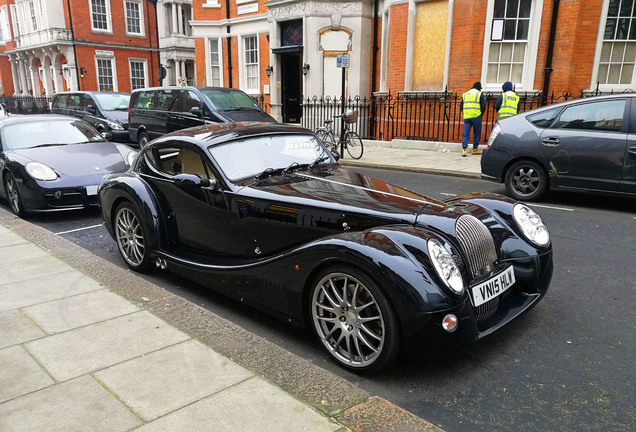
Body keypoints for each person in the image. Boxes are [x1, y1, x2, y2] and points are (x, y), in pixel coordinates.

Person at [460, 81, 486, 157]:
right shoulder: (479, 93)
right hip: (476, 116)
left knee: (466, 133)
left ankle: (464, 149)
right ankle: (475, 149)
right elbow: (483, 105)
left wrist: (465, 113)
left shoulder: (465, 94)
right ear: (479, 88)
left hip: (467, 117)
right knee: (476, 133)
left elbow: (461, 106)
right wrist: (481, 114)